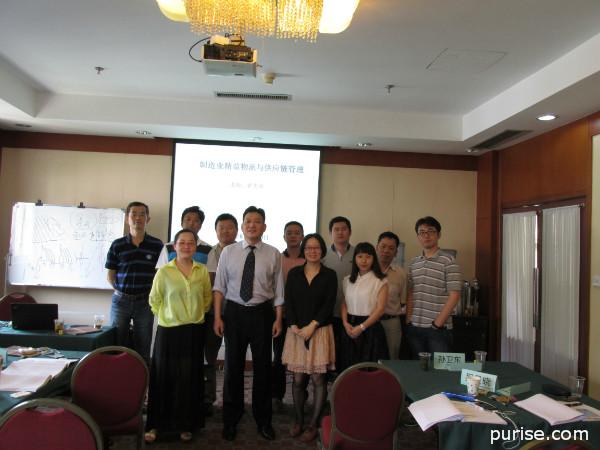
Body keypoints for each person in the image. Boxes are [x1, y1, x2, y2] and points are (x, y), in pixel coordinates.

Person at [213, 206, 284, 442]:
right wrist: (218, 317)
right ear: (242, 227)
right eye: (248, 221)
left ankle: (263, 419)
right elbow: (219, 287)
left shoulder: (273, 253)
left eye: (257, 221)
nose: (252, 225)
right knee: (232, 367)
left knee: (263, 368)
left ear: (264, 227)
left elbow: (279, 291)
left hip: (262, 313)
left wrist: (278, 319)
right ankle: (231, 419)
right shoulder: (228, 252)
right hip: (234, 312)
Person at [144, 228, 212, 443]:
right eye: (182, 242)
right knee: (163, 377)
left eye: (191, 243)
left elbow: (207, 299)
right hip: (169, 331)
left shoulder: (202, 271)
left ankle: (186, 424)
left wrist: (193, 314)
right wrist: (170, 316)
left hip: (193, 331)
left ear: (196, 246)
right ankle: (156, 425)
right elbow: (154, 300)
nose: (186, 246)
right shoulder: (164, 272)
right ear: (174, 246)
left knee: (189, 378)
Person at [282, 233, 336, 443]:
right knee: (297, 379)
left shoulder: (329, 275)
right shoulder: (294, 273)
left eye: (316, 248)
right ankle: (298, 420)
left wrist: (312, 326)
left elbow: (329, 304)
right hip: (296, 332)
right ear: (303, 251)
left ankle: (313, 423)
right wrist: (294, 325)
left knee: (318, 379)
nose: (312, 251)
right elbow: (289, 301)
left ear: (322, 250)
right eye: (308, 248)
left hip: (319, 331)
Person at [105, 201, 163, 364]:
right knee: (117, 344)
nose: (138, 218)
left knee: (143, 345)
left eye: (142, 214)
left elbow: (160, 275)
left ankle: (142, 378)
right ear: (127, 218)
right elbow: (110, 275)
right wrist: (122, 292)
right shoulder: (117, 245)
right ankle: (118, 375)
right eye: (134, 214)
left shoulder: (157, 245)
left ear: (148, 219)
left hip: (145, 302)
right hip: (120, 302)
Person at [405, 216, 462, 356]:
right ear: (418, 237)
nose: (426, 235)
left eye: (431, 231)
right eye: (422, 232)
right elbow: (411, 292)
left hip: (438, 330)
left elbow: (455, 295)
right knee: (418, 367)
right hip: (415, 327)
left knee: (440, 368)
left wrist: (437, 324)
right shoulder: (414, 263)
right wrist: (409, 318)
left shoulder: (449, 261)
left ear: (439, 234)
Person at [204, 213, 238, 416]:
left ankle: (232, 402)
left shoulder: (243, 251)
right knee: (209, 356)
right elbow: (210, 281)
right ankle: (209, 399)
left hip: (235, 312)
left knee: (234, 358)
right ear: (216, 231)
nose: (225, 231)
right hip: (212, 312)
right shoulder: (211, 252)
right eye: (221, 228)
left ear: (237, 230)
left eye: (229, 227)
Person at [338, 242, 389, 373]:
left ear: (373, 259)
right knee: (348, 367)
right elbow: (344, 303)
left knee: (369, 368)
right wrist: (345, 323)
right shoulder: (347, 280)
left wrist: (361, 327)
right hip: (349, 326)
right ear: (355, 259)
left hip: (370, 327)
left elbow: (380, 309)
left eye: (368, 256)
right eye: (360, 256)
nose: (364, 260)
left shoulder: (380, 280)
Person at [272, 220, 305, 412]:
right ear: (284, 236)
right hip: (280, 316)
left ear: (302, 236)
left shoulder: (309, 258)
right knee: (279, 357)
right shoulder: (277, 258)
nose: (293, 236)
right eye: (289, 233)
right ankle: (277, 396)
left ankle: (302, 396)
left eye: (296, 232)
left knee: (301, 358)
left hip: (302, 318)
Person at [321, 216, 354, 369]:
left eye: (344, 229)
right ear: (330, 233)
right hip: (329, 311)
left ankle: (346, 378)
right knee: (329, 350)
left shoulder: (358, 254)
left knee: (348, 352)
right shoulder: (322, 255)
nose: (340, 232)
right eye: (336, 229)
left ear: (350, 232)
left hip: (352, 312)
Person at [376, 231, 407, 359]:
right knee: (369, 356)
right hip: (369, 321)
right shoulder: (366, 270)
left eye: (391, 248)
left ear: (396, 252)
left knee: (392, 357)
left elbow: (403, 301)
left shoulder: (401, 274)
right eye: (383, 246)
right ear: (376, 247)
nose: (386, 251)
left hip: (391, 322)